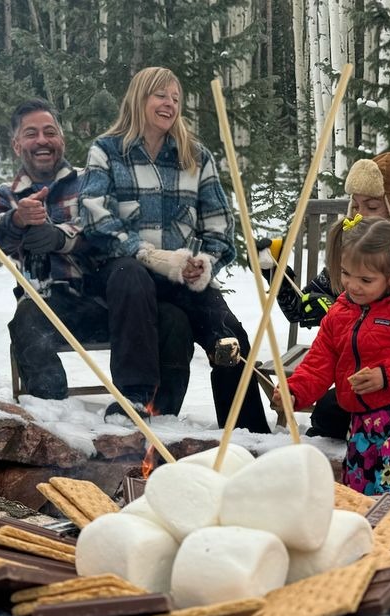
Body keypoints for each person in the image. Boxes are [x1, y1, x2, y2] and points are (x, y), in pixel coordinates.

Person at [79, 66, 270, 433]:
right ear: (140, 98)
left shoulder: (195, 156)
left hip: (180, 276)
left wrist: (202, 262)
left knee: (229, 334)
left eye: (176, 98)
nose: (169, 104)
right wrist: (150, 255)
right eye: (161, 95)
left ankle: (248, 432)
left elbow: (219, 227)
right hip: (123, 271)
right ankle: (133, 397)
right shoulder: (107, 151)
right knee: (130, 275)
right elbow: (95, 220)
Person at [0, 99, 195, 416]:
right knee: (26, 321)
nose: (42, 140)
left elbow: (114, 230)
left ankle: (150, 411)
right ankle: (55, 418)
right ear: (16, 144)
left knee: (171, 318)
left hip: (112, 299)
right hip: (51, 302)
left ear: (61, 140)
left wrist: (62, 236)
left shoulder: (93, 180)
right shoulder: (5, 195)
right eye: (31, 133)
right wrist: (17, 220)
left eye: (49, 132)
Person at [258, 151, 390, 451]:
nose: (359, 214)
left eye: (372, 205)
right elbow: (301, 310)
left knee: (361, 413)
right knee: (329, 412)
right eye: (355, 205)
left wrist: (384, 375)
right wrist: (275, 272)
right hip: (361, 381)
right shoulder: (354, 261)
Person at [273, 217, 390, 495]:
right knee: (359, 493)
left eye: (365, 279)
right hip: (361, 421)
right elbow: (319, 361)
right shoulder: (339, 314)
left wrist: (386, 375)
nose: (352, 285)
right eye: (345, 274)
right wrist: (295, 390)